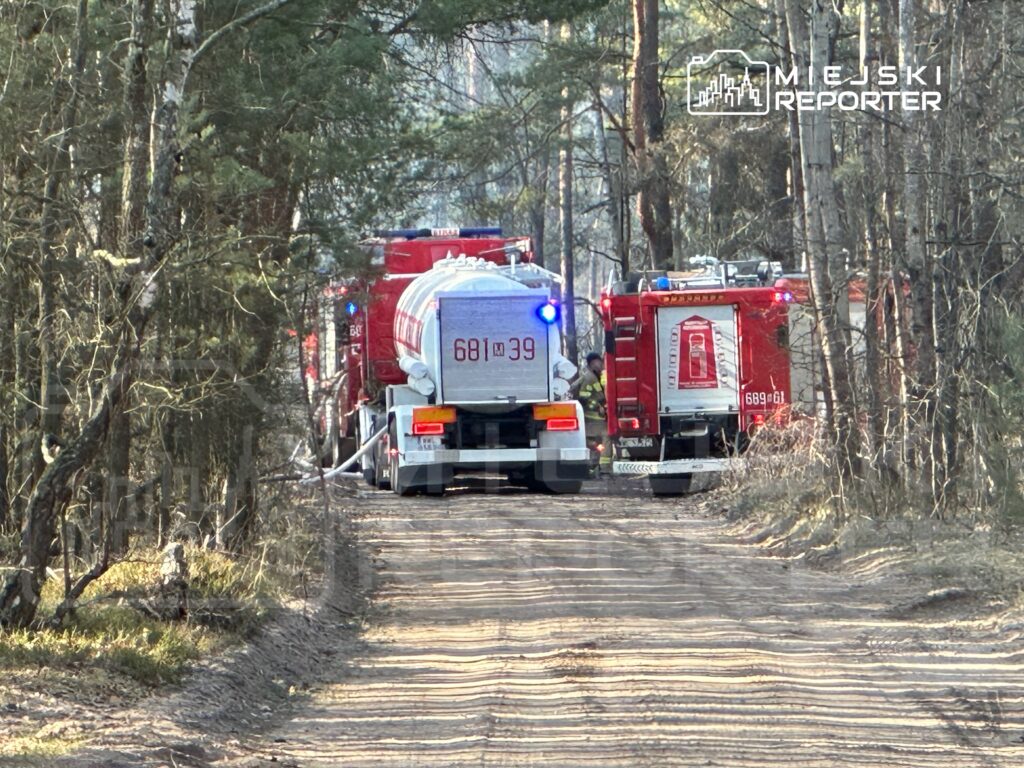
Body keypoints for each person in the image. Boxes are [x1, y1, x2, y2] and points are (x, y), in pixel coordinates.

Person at [573, 352, 611, 475]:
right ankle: (605, 468)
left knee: (595, 444)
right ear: (592, 364)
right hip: (592, 418)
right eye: (598, 362)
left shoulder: (595, 376)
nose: (601, 364)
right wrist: (597, 407)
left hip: (594, 419)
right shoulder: (590, 378)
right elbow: (584, 398)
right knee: (607, 437)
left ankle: (592, 468)